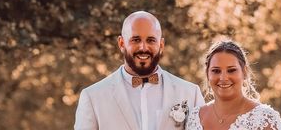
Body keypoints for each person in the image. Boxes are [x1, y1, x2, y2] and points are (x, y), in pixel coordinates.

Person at [74, 10, 205, 130]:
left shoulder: (190, 93)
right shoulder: (93, 97)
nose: (143, 47)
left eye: (151, 40)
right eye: (135, 40)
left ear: (161, 45)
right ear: (121, 43)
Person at [185, 40, 281, 130]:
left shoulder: (265, 119)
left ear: (244, 72)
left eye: (231, 70)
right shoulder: (194, 117)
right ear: (207, 74)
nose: (223, 78)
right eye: (216, 71)